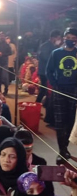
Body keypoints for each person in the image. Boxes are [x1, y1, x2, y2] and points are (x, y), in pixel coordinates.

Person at [46, 27, 77, 164]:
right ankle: (61, 151)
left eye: (73, 38)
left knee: (71, 121)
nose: (70, 41)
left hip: (74, 90)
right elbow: (49, 71)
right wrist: (55, 85)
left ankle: (65, 148)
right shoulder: (56, 53)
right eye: (68, 38)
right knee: (59, 121)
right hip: (59, 90)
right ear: (64, 38)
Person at [36, 30, 61, 103]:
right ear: (53, 38)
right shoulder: (45, 46)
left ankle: (46, 106)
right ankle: (36, 105)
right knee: (44, 90)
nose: (59, 40)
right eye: (58, 38)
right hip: (44, 71)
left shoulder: (53, 46)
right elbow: (45, 57)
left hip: (50, 72)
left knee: (48, 91)